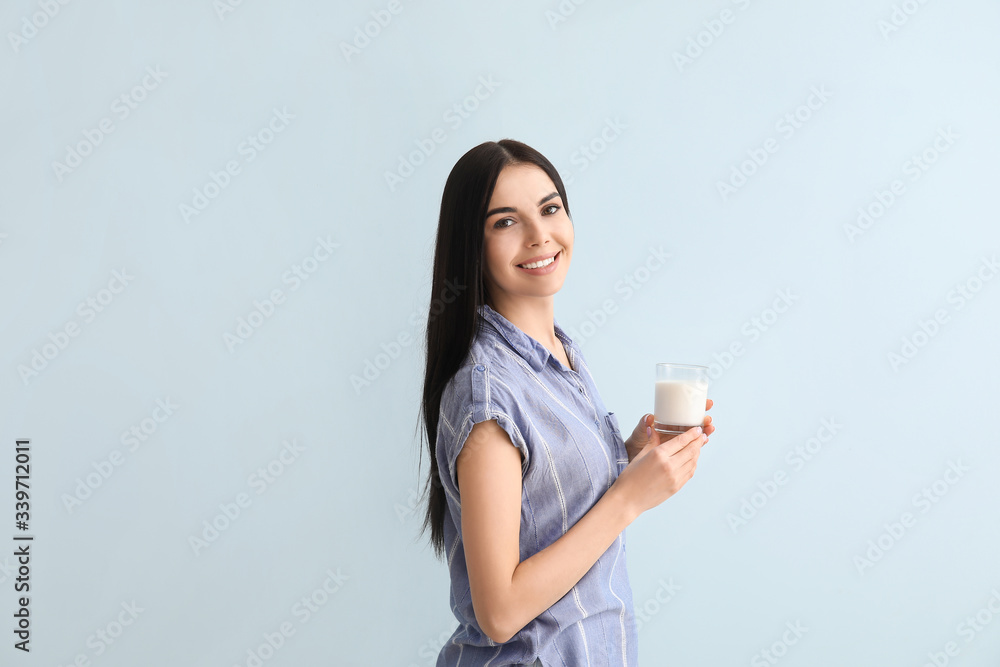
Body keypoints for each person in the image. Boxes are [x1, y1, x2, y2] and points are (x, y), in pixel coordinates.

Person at [417, 139, 715, 666]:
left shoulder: (560, 352)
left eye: (550, 209)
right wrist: (628, 498)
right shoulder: (488, 395)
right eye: (505, 222)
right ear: (472, 245)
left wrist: (631, 455)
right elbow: (500, 612)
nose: (539, 236)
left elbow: (549, 508)